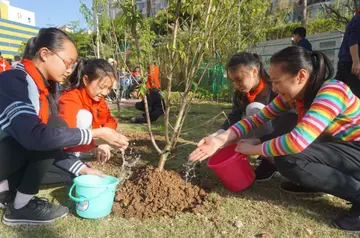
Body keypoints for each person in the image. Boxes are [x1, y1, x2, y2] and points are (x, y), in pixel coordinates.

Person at [190, 45, 360, 232]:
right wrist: (219, 140)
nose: (275, 89)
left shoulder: (332, 91)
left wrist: (255, 148)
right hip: (342, 148)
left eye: (277, 82)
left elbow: (296, 141)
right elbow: (256, 119)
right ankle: (312, 183)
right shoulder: (295, 96)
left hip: (355, 150)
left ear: (301, 76)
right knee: (288, 152)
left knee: (289, 157)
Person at [0, 28, 128, 226]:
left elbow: (48, 141)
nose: (70, 69)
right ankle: (19, 208)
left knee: (68, 167)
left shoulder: (44, 88)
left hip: (10, 155)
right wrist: (96, 134)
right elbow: (38, 138)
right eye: (68, 62)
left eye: (73, 64)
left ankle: (7, 193)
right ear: (44, 54)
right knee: (55, 128)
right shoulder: (15, 82)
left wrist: (84, 170)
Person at [197, 52, 298, 182]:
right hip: (260, 133)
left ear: (254, 72)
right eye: (233, 81)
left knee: (254, 108)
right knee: (230, 135)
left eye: (239, 79)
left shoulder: (276, 91)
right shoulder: (240, 94)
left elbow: (285, 125)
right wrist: (217, 136)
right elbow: (234, 118)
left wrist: (258, 142)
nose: (236, 85)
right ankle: (261, 155)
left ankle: (270, 162)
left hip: (278, 135)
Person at [58, 59, 118, 167]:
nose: (105, 93)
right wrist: (97, 143)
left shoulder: (98, 99)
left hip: (85, 144)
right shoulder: (70, 98)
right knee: (84, 116)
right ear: (85, 80)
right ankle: (72, 158)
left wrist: (104, 142)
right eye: (101, 87)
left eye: (109, 88)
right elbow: (67, 133)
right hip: (65, 148)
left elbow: (109, 120)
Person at [335, 2, 360, 98]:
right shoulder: (358, 19)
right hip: (349, 63)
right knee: (355, 96)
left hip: (349, 63)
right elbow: (353, 40)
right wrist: (356, 61)